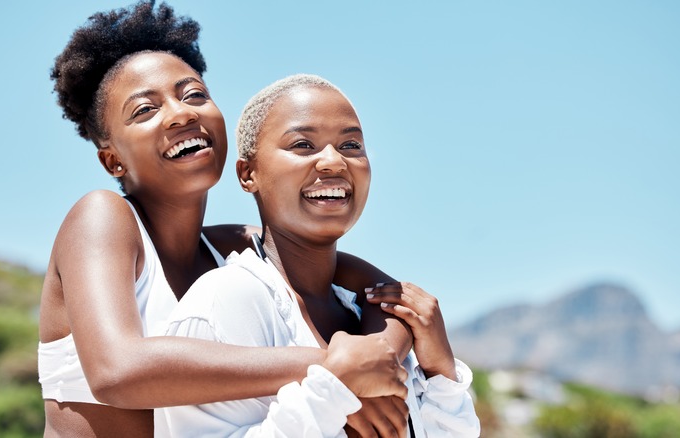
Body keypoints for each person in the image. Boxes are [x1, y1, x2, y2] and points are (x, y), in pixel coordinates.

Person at [38, 2, 413, 437]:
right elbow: (116, 372)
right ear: (112, 160)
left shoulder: (234, 248)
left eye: (194, 94)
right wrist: (333, 368)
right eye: (145, 110)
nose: (182, 113)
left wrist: (378, 358)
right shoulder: (101, 218)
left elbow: (387, 295)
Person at [156, 74, 481, 437]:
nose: (333, 162)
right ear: (248, 174)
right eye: (303, 145)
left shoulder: (379, 319)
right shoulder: (227, 300)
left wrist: (440, 374)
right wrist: (333, 389)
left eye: (352, 144)